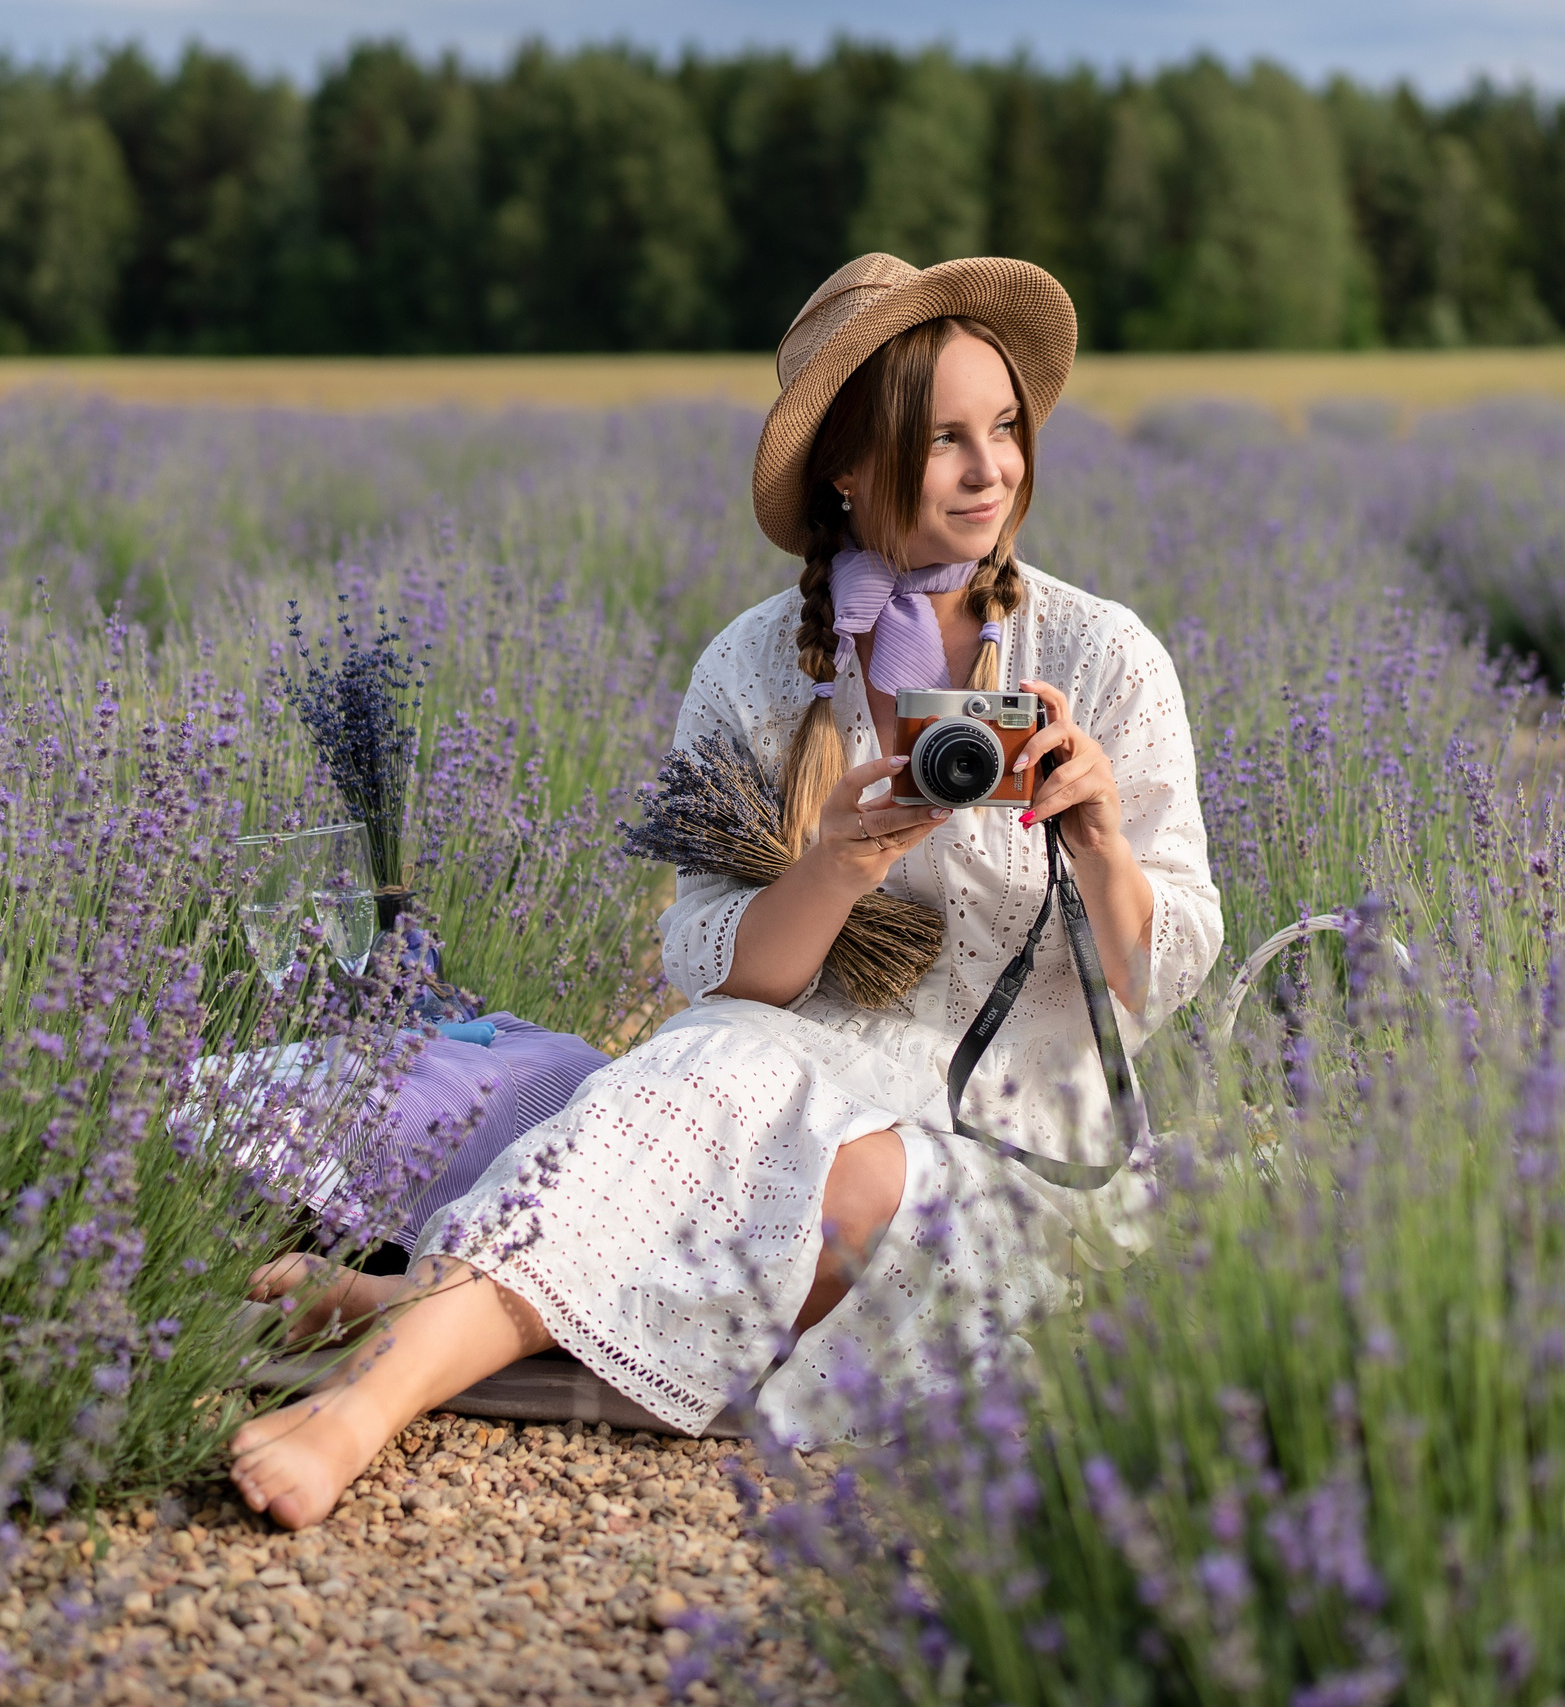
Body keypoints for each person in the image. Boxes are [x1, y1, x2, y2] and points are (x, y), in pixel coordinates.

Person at [230, 253, 1224, 1529]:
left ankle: (426, 1309)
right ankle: (372, 1404)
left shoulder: (1100, 654)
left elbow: (1158, 980)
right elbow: (720, 972)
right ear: (848, 470)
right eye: (944, 443)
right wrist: (837, 861)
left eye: (1007, 430)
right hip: (784, 1069)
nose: (993, 472)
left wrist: (1093, 836)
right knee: (700, 1072)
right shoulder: (757, 664)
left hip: (1016, 1138)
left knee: (831, 1192)